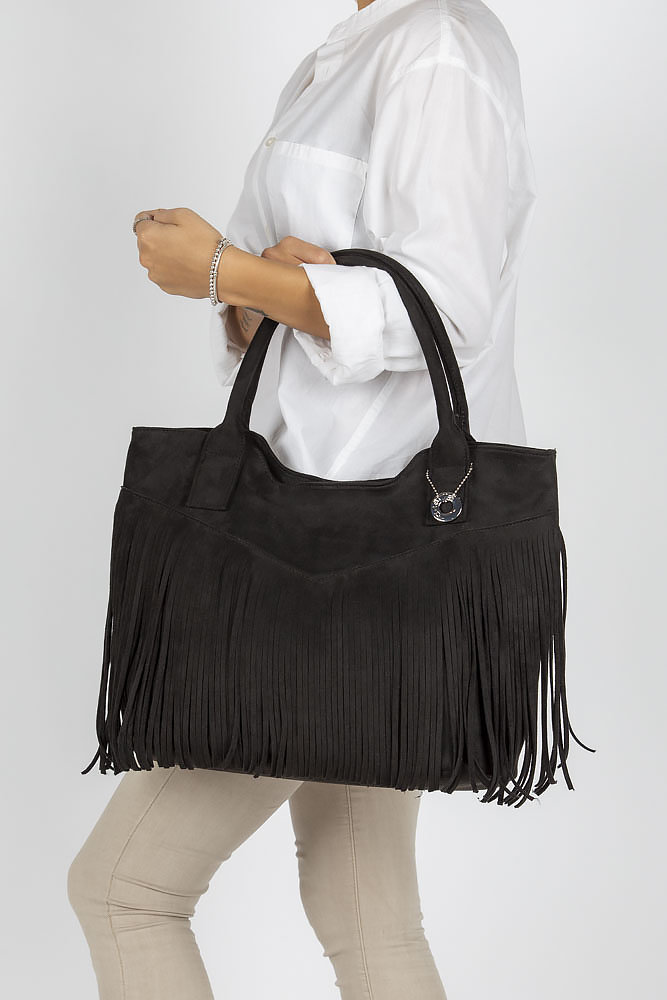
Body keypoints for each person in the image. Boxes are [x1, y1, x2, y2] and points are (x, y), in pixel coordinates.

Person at [67, 1, 538, 997]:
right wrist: (248, 292)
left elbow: (445, 307)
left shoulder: (434, 46)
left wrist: (222, 269)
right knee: (363, 904)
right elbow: (323, 303)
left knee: (123, 889)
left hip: (357, 543)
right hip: (332, 527)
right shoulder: (360, 43)